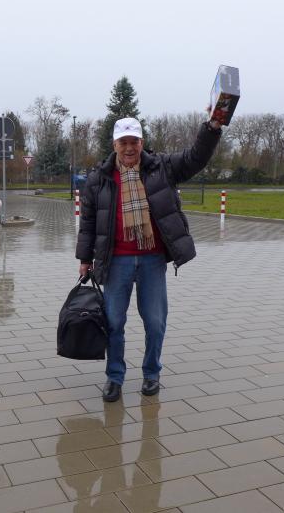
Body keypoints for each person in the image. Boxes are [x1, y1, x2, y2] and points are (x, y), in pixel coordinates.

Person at [76, 116, 224, 402]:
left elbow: (196, 158)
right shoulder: (99, 178)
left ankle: (151, 373)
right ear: (115, 145)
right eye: (123, 142)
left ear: (142, 142)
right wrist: (84, 258)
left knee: (155, 322)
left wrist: (212, 128)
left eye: (134, 142)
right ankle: (114, 377)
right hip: (116, 261)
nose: (129, 148)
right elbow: (88, 223)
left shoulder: (162, 167)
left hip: (151, 260)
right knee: (114, 322)